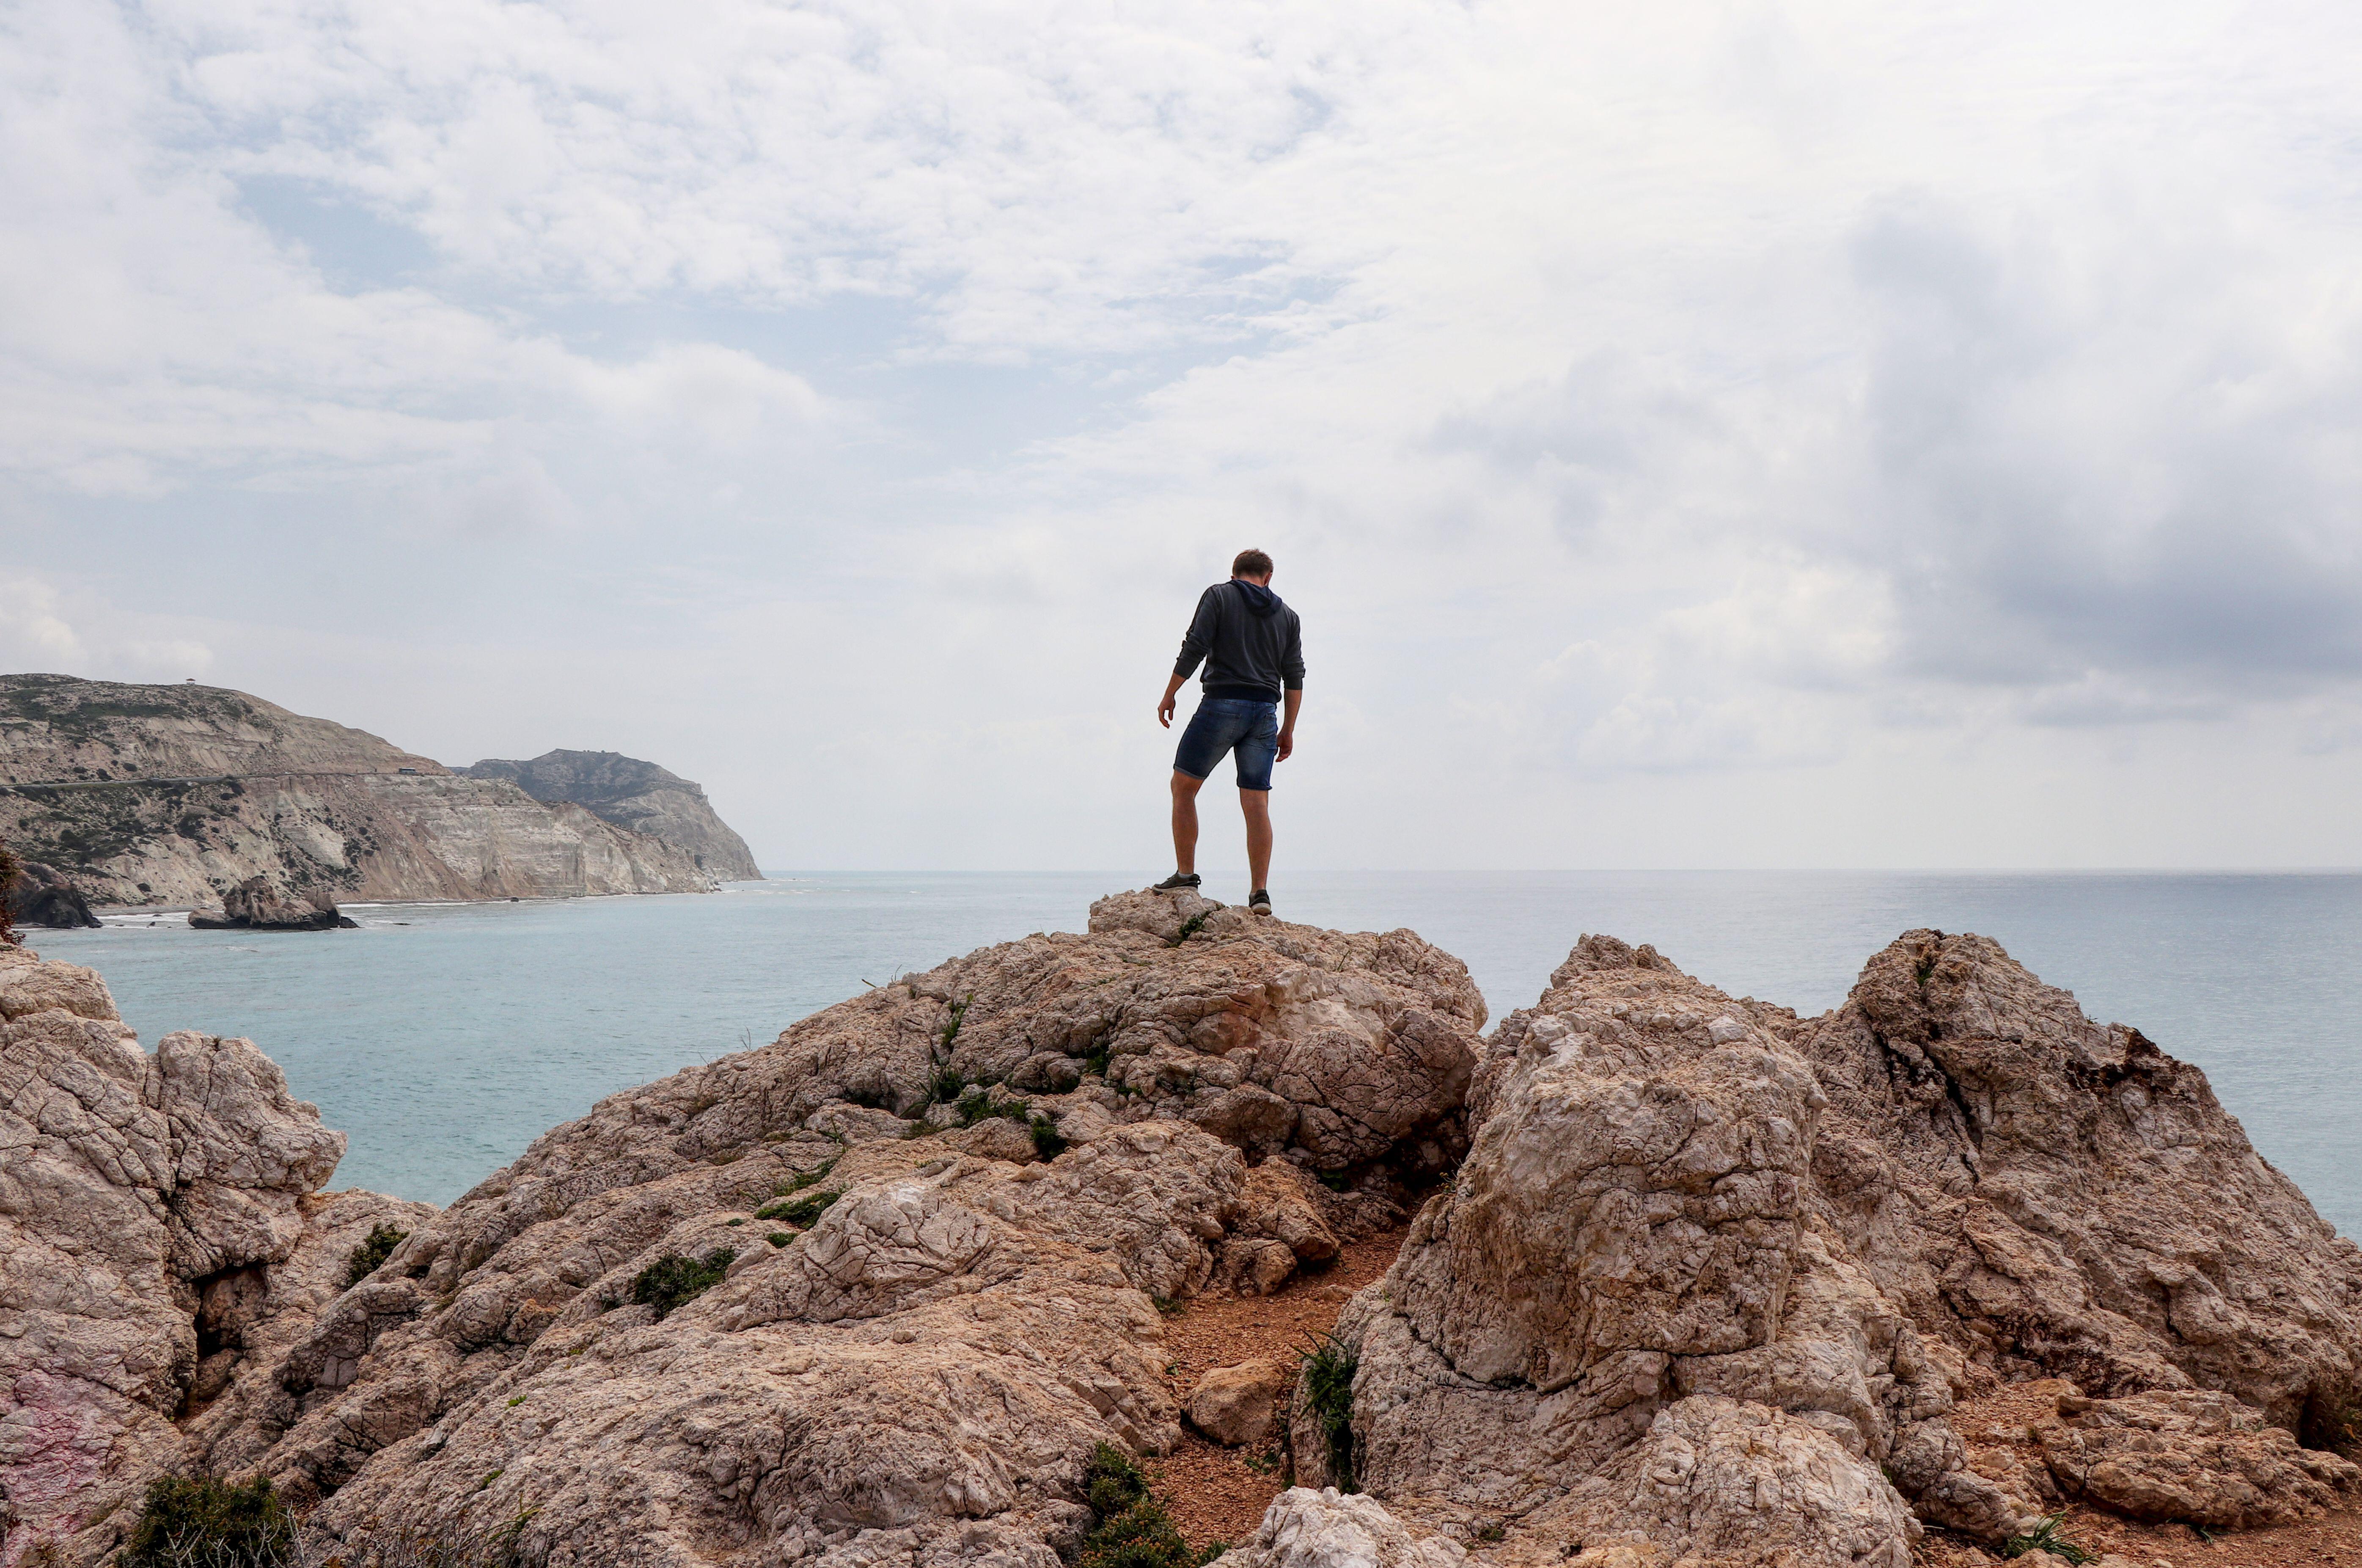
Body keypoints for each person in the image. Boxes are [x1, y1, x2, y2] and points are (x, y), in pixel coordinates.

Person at [1154, 547, 1303, 916]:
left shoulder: (1219, 595)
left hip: (1222, 704)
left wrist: (1170, 692)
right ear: (1268, 578)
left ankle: (1186, 875)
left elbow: (1195, 646)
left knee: (1183, 786)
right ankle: (1260, 894)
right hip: (1265, 714)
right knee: (1256, 802)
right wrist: (1288, 729)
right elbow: (1294, 675)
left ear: (1234, 572)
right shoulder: (1288, 616)